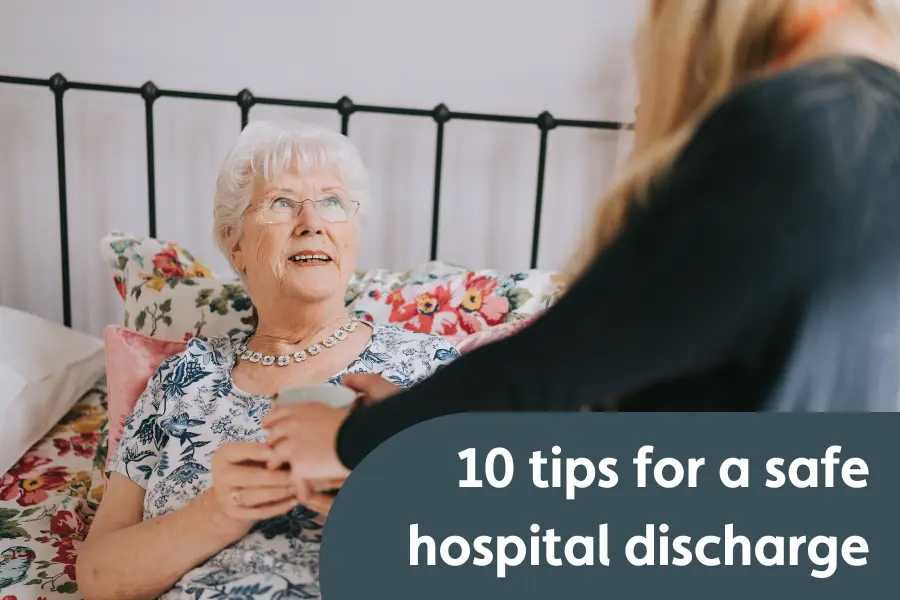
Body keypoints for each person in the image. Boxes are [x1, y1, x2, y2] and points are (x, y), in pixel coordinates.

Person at [259, 0, 900, 496]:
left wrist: (355, 439)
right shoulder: (867, 132)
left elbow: (552, 369)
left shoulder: (806, 130)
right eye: (281, 204)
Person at [76, 121, 460, 600]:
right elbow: (98, 581)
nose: (312, 221)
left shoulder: (429, 368)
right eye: (282, 202)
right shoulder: (183, 381)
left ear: (352, 236)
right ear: (235, 244)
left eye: (332, 202)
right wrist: (218, 512)